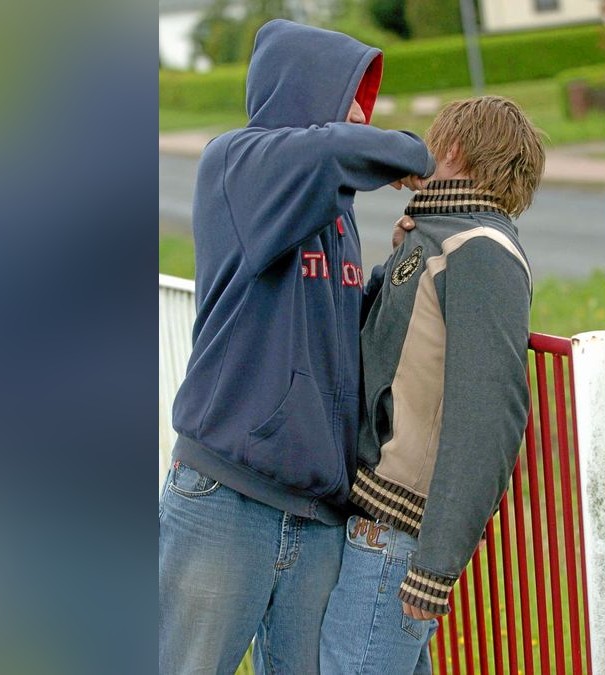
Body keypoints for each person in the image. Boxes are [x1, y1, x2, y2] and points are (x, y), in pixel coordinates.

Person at [159, 19, 435, 675]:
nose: (360, 113)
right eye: (350, 95)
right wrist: (427, 160)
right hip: (228, 498)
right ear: (304, 91)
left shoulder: (332, 211)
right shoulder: (237, 165)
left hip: (316, 517)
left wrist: (405, 266)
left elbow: (335, 325)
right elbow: (331, 151)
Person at [319, 96, 546, 674]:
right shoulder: (438, 238)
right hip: (377, 525)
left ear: (453, 150)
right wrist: (398, 259)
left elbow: (489, 415)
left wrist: (435, 566)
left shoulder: (481, 251)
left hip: (396, 537)